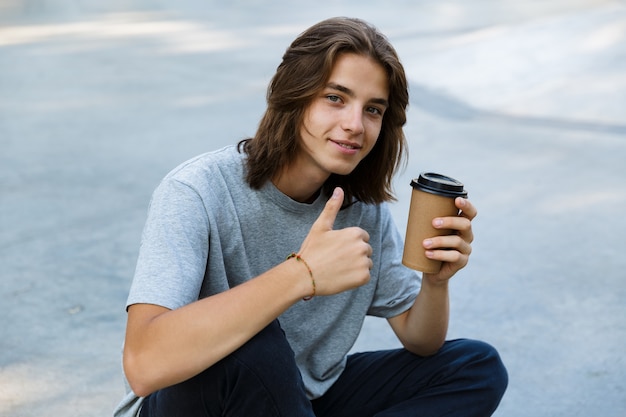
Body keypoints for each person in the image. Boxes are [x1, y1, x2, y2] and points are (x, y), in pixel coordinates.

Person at [114, 16, 507, 417]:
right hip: (205, 404)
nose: (355, 125)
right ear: (294, 94)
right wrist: (301, 273)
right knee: (256, 345)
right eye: (335, 98)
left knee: (475, 367)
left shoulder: (360, 212)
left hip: (300, 401)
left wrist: (435, 283)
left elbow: (421, 341)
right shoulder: (197, 191)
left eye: (373, 109)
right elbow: (145, 366)